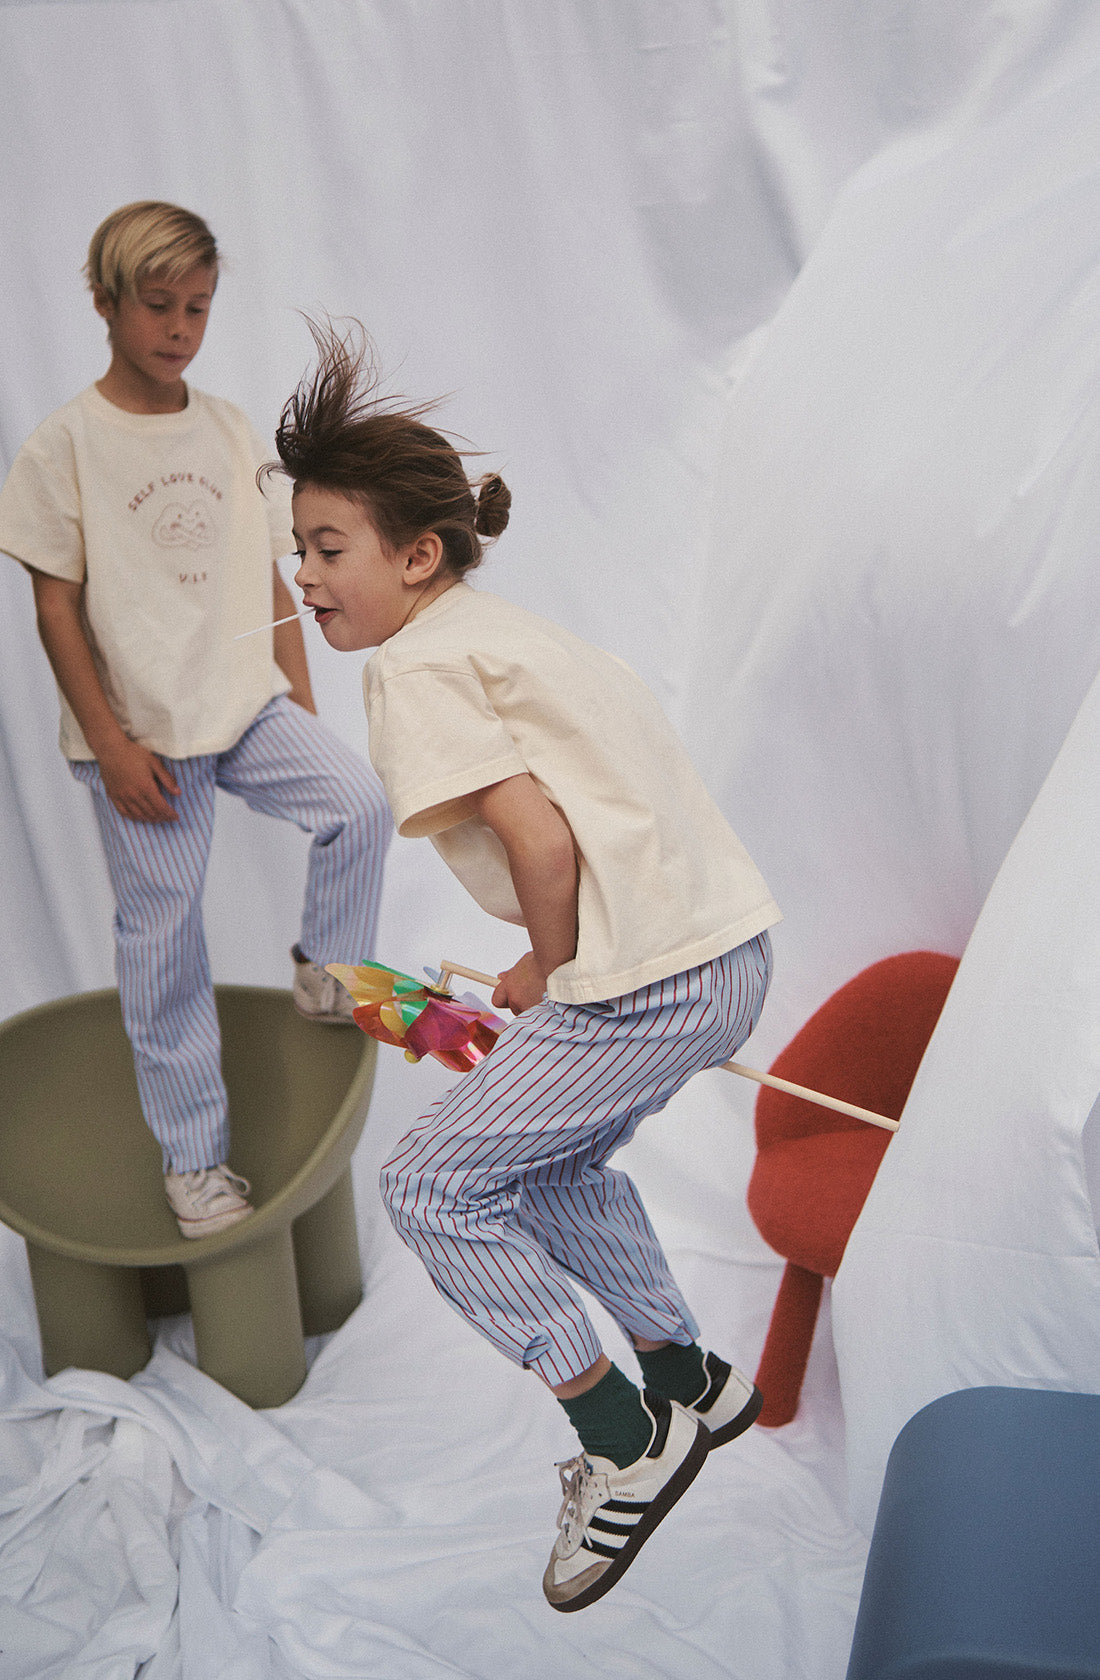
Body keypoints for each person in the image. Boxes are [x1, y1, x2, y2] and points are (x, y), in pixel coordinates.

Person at [274, 323, 781, 1611]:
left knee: (432, 1183)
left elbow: (537, 833)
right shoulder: (506, 632)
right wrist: (544, 961)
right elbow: (582, 816)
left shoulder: (417, 664)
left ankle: (623, 1438)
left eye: (328, 550)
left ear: (416, 553)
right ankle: (687, 1380)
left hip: (645, 978)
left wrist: (552, 968)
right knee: (542, 1161)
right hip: (723, 950)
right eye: (298, 550)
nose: (306, 575)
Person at [0, 205, 391, 1239]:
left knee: (357, 800)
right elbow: (53, 607)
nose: (180, 327)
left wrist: (300, 700)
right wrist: (113, 745)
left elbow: (273, 573)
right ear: (105, 304)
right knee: (164, 945)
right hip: (144, 740)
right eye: (160, 306)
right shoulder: (64, 447)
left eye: (199, 308)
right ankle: (194, 1166)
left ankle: (325, 970)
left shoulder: (223, 426)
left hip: (244, 706)